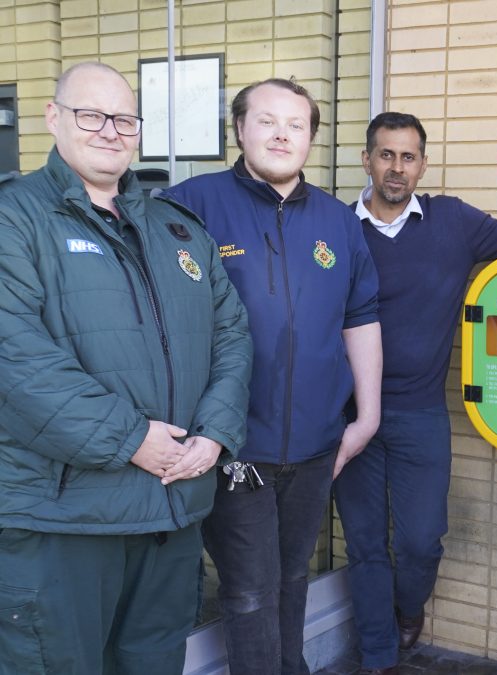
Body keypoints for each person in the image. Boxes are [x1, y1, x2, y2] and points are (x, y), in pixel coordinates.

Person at [0, 62, 252, 675]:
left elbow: (232, 333)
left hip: (170, 511)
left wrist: (216, 434)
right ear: (53, 119)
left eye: (125, 119)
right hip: (65, 519)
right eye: (92, 115)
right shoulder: (16, 219)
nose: (111, 131)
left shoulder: (176, 229)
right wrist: (132, 439)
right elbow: (16, 356)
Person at [334, 112, 497, 674]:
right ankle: (378, 655)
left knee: (420, 540)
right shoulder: (334, 228)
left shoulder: (453, 222)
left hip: (418, 414)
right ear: (367, 160)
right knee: (363, 543)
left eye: (407, 157)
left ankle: (407, 608)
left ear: (422, 165)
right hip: (347, 413)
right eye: (385, 155)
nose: (396, 167)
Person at [166, 78, 382, 675]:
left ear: (312, 136)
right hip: (235, 445)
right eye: (266, 121)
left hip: (316, 445)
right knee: (250, 590)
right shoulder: (191, 204)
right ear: (239, 130)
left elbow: (359, 318)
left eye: (296, 123)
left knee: (291, 578)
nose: (282, 133)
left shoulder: (339, 221)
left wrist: (367, 417)